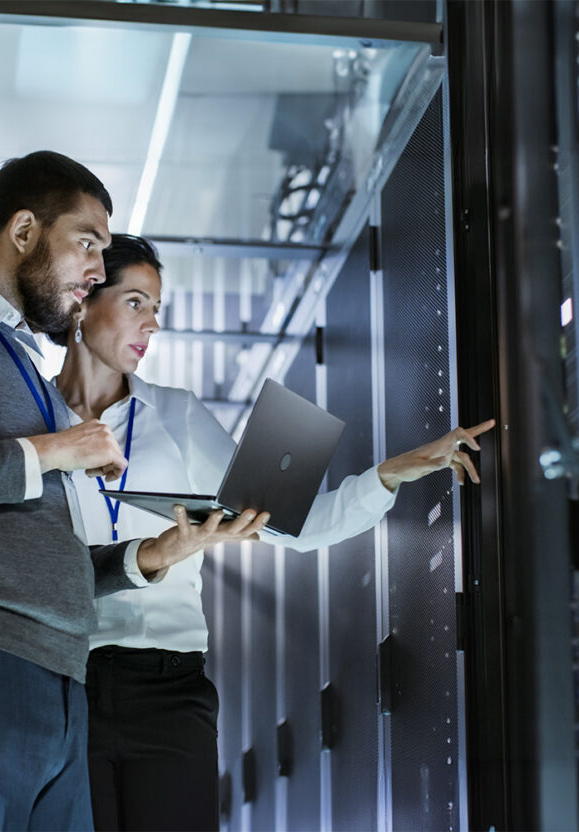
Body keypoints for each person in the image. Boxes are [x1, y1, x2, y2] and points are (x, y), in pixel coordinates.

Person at [0, 154, 269, 832]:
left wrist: (151, 557)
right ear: (23, 231)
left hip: (65, 685)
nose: (98, 271)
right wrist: (57, 449)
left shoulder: (31, 377)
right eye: (88, 244)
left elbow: (47, 555)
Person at [51, 233, 495, 832]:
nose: (151, 324)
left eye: (157, 309)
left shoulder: (177, 415)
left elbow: (293, 525)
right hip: (61, 683)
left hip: (169, 687)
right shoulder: (33, 422)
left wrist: (391, 474)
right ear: (82, 304)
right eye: (135, 302)